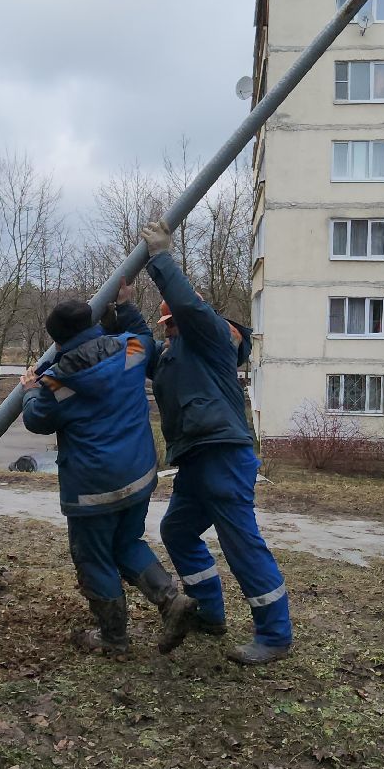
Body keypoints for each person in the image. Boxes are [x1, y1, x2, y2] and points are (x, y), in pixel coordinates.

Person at [137, 220, 293, 665]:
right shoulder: (173, 355)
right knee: (178, 530)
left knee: (240, 540)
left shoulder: (210, 337)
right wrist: (125, 310)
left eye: (170, 324)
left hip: (222, 452)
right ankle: (209, 612)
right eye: (165, 326)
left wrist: (161, 256)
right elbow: (151, 359)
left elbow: (186, 305)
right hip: (196, 459)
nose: (167, 331)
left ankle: (275, 633)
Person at [21, 280, 197, 654]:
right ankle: (170, 600)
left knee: (93, 557)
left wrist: (29, 389)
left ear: (58, 340)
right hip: (138, 475)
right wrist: (126, 305)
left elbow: (37, 419)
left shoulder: (56, 379)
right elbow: (141, 336)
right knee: (126, 542)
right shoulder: (128, 350)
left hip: (92, 488)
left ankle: (114, 639)